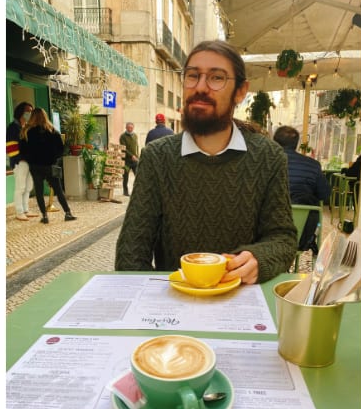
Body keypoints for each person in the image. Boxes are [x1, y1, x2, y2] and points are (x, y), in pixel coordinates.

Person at [115, 40, 296, 283]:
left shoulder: (268, 156)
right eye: (192, 76)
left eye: (217, 78)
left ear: (241, 91)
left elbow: (282, 237)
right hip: (174, 303)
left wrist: (259, 259)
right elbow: (131, 251)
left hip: (240, 301)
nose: (200, 87)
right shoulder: (157, 157)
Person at [272, 125, 330, 250]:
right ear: (296, 144)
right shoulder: (313, 166)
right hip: (302, 236)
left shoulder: (265, 163)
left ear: (274, 141)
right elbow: (325, 195)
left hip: (267, 237)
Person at [21, 108, 76, 224]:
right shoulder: (52, 131)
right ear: (45, 116)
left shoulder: (27, 131)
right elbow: (61, 149)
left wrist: (30, 159)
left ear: (32, 117)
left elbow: (23, 150)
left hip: (35, 166)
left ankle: (45, 216)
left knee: (39, 192)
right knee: (58, 190)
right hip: (50, 165)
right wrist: (53, 159)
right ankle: (67, 213)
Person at [6, 102, 37, 221]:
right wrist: (21, 158)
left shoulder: (26, 127)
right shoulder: (13, 127)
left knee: (28, 186)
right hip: (19, 162)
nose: (30, 113)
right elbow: (10, 146)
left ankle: (26, 210)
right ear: (21, 112)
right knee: (20, 187)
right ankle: (19, 212)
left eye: (31, 111)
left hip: (28, 161)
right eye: (28, 111)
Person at [119, 122, 139, 196]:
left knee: (138, 176)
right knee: (126, 176)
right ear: (126, 128)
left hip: (135, 160)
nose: (130, 129)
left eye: (131, 127)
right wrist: (131, 156)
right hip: (126, 160)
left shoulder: (135, 135)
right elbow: (124, 149)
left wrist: (137, 156)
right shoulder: (122, 136)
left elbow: (137, 146)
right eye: (129, 127)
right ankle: (125, 191)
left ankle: (137, 191)